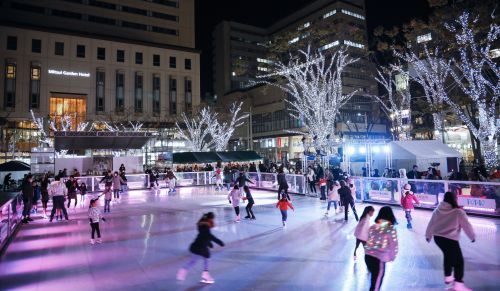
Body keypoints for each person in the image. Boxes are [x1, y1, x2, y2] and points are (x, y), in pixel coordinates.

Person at [425, 192, 475, 291]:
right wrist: (472, 236)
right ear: (454, 199)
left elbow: (431, 223)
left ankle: (448, 277)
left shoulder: (437, 210)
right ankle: (458, 285)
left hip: (438, 238)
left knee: (448, 255)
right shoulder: (458, 212)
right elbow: (466, 225)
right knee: (459, 261)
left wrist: (428, 235)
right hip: (450, 239)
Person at [176, 212, 224, 284]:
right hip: (199, 248)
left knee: (203, 259)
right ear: (210, 219)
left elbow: (204, 236)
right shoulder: (206, 227)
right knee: (197, 260)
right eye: (213, 219)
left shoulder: (202, 225)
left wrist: (209, 243)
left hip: (199, 246)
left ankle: (204, 273)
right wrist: (220, 242)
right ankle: (184, 271)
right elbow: (209, 236)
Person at [364, 206, 398, 291]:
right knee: (376, 285)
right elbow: (394, 245)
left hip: (368, 256)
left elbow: (368, 240)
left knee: (374, 280)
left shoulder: (373, 226)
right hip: (378, 259)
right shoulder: (390, 229)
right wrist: (391, 257)